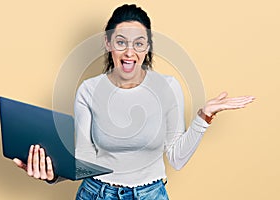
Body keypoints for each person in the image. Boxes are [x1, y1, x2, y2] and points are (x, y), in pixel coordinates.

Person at [13, 4, 254, 200]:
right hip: (97, 193)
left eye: (138, 43)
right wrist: (52, 174)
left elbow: (177, 159)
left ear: (147, 47)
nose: (130, 52)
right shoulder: (89, 90)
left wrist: (204, 117)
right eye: (121, 42)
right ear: (108, 44)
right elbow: (86, 159)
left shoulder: (168, 88)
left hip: (151, 194)